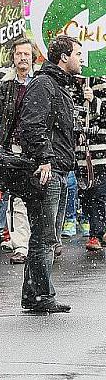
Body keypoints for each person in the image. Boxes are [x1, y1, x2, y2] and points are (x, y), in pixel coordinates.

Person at [17, 35, 80, 313]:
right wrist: (44, 158)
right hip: (48, 171)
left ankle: (33, 295)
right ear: (63, 57)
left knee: (43, 237)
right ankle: (43, 295)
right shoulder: (44, 85)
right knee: (45, 238)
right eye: (77, 53)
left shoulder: (55, 85)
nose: (81, 58)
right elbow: (31, 125)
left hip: (58, 169)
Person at [0, 38, 35, 264]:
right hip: (14, 148)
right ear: (13, 57)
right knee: (16, 197)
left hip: (36, 149)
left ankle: (42, 242)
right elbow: (0, 119)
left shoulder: (39, 83)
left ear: (32, 57)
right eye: (19, 54)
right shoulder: (7, 88)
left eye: (26, 54)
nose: (22, 58)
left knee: (39, 197)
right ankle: (21, 245)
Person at [73, 78, 105, 251]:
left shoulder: (102, 83)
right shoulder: (70, 84)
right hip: (80, 152)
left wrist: (94, 102)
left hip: (101, 151)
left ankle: (96, 233)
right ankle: (100, 228)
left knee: (98, 193)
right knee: (85, 194)